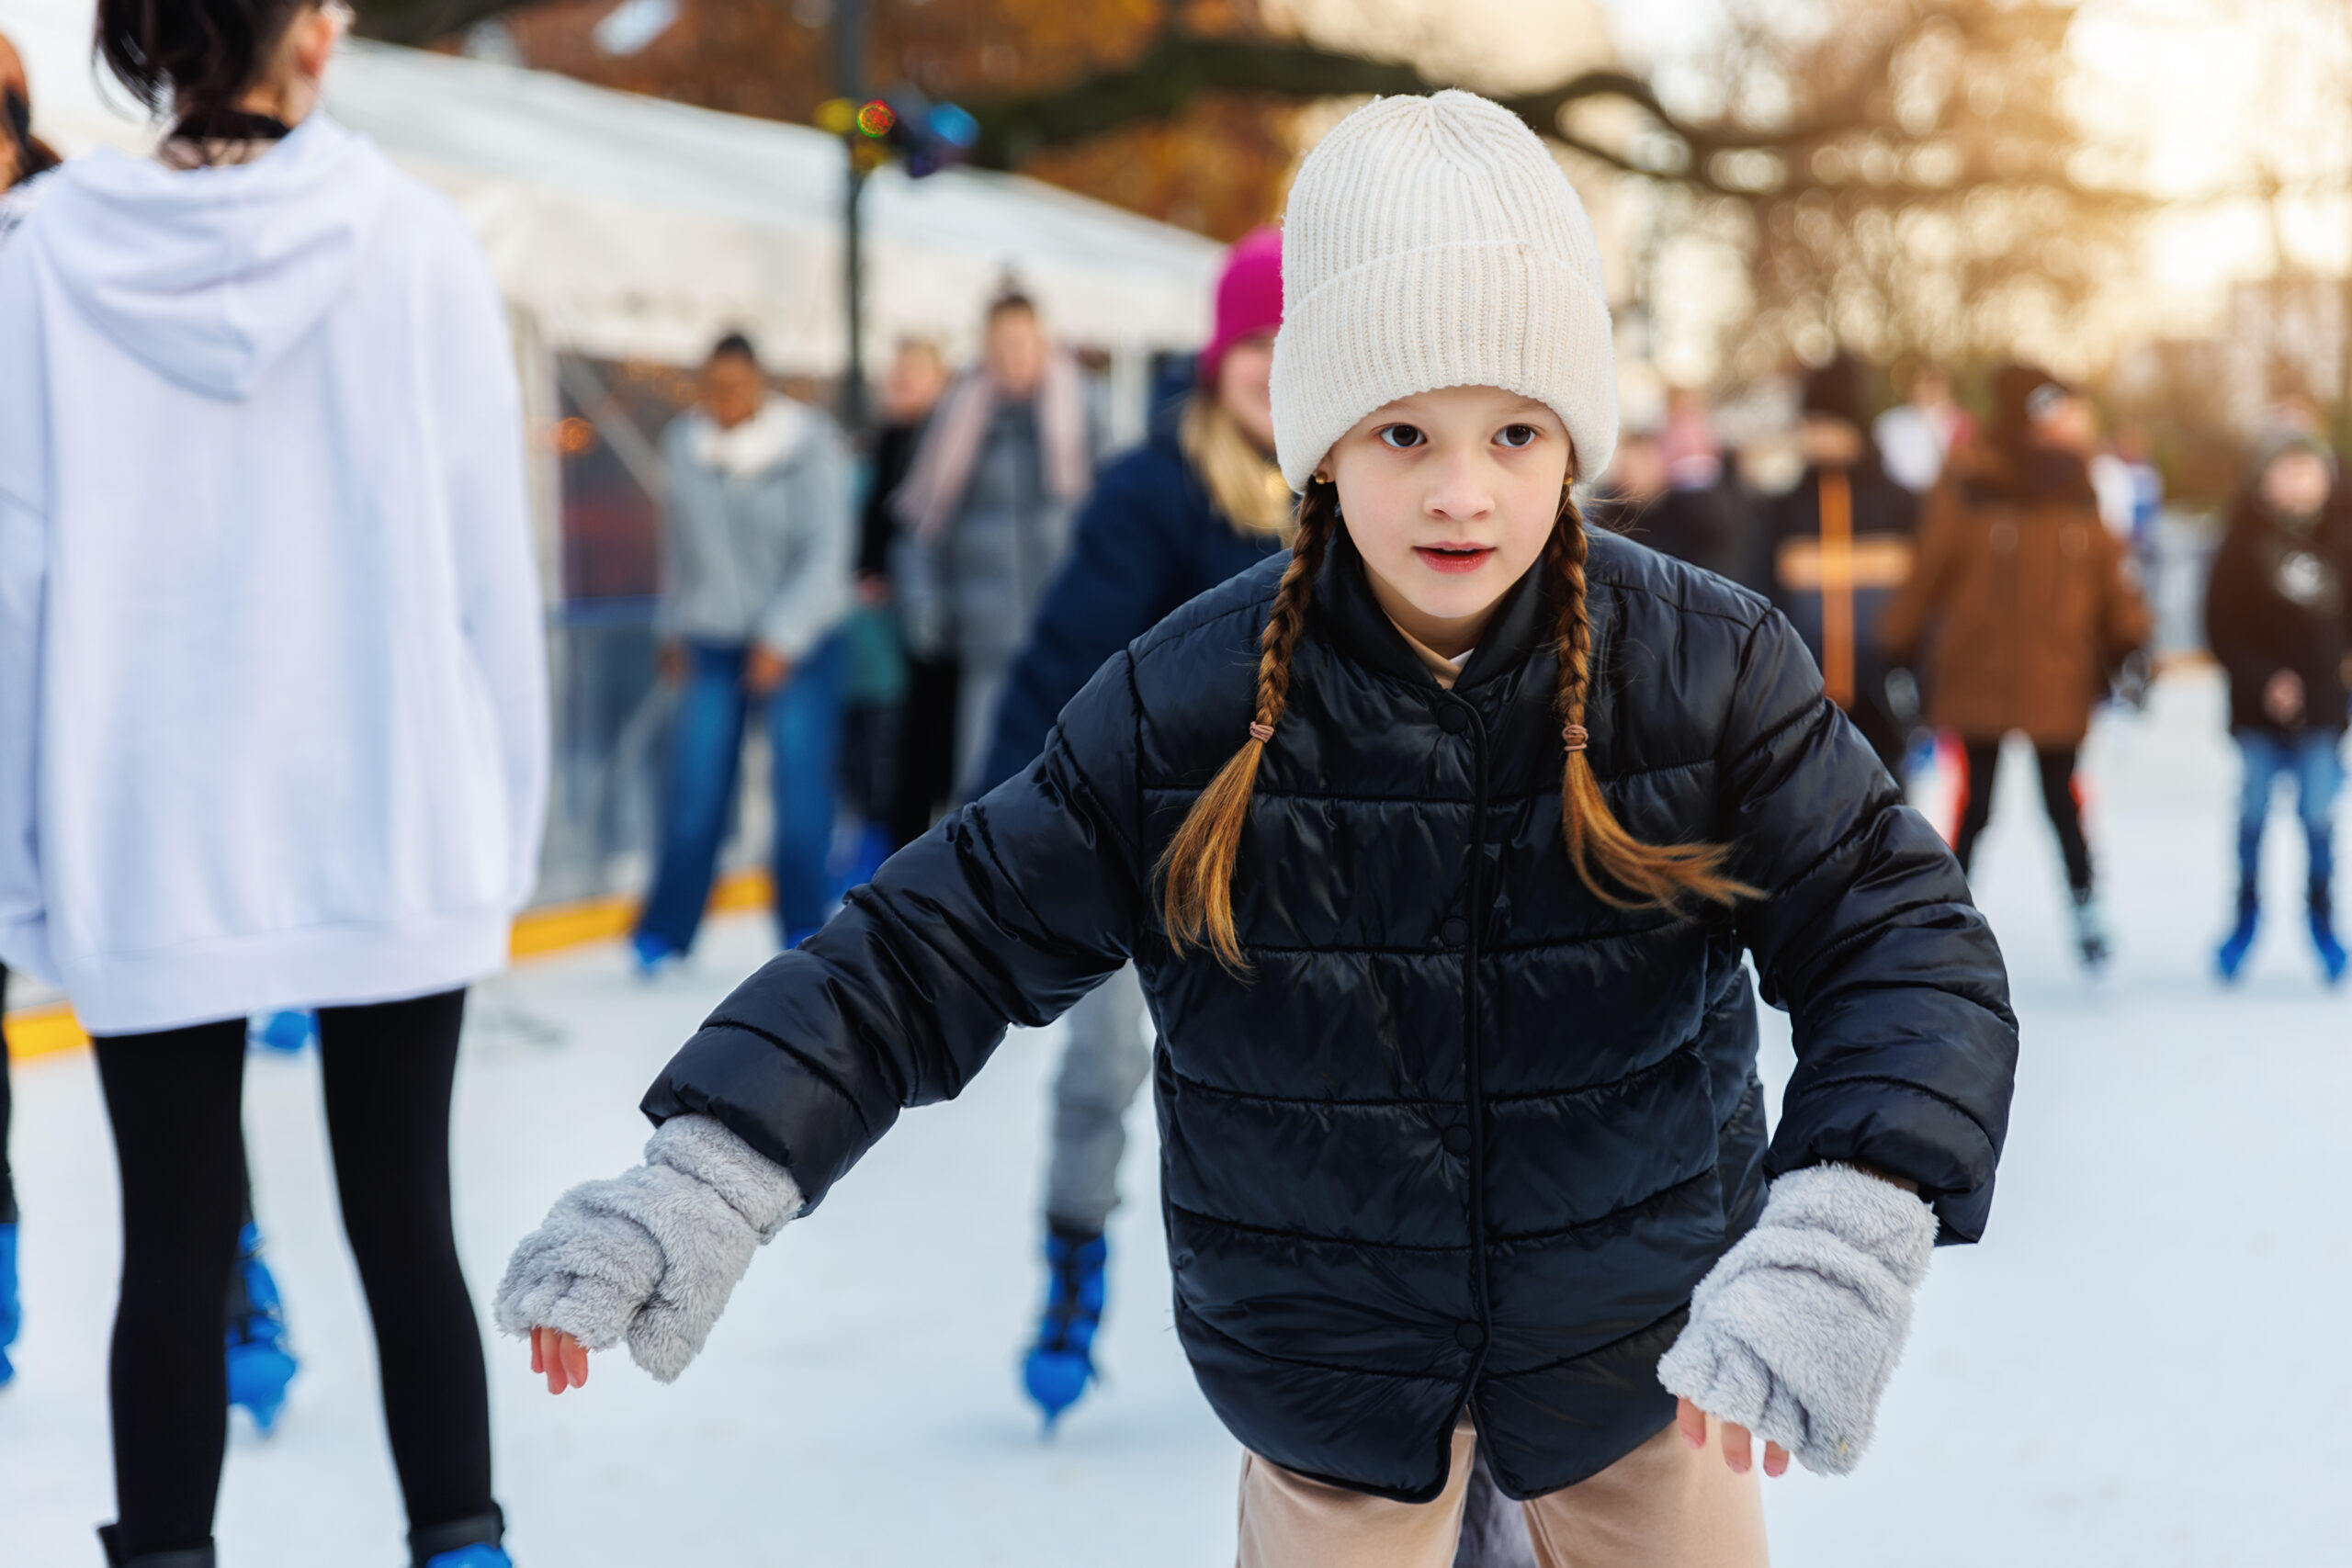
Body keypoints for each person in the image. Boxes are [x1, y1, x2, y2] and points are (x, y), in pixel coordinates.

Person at [498, 92, 2016, 1567]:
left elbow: (1903, 941)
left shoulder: (1701, 669)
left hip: (1643, 1382)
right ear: (1320, 439)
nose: (1462, 491)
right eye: (1404, 431)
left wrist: (1840, 1228)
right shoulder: (1191, 703)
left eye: (1515, 432)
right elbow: (930, 945)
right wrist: (708, 1169)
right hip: (1331, 1401)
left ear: (1576, 437)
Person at [0, 0, 548, 1558]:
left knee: (172, 1242)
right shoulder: (419, 246)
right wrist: (492, 829)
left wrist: (27, 865)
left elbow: (12, 585)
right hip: (392, 807)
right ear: (307, 37)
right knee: (406, 1231)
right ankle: (463, 1541)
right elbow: (485, 573)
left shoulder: (34, 264)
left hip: (144, 829)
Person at [949, 229, 1289, 1428]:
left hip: (1277, 866)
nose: (1269, 366)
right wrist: (991, 827)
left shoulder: (1350, 494)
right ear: (1214, 358)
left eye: (1292, 345)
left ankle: (1292, 1310)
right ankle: (1073, 1276)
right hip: (1138, 845)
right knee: (1101, 1069)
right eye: (1252, 341)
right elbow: (1063, 654)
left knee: (1286, 1092)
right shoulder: (1154, 489)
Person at [1881, 364, 2152, 975]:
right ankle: (1946, 914)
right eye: (2051, 410)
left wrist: (2131, 643)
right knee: (1975, 802)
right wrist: (1895, 645)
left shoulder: (2079, 485)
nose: (2064, 423)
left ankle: (2087, 909)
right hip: (1981, 670)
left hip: (2058, 669)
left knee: (2063, 799)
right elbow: (1930, 568)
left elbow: (2109, 576)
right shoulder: (1969, 481)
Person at [629, 333, 853, 971]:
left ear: (760, 385)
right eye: (713, 386)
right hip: (712, 639)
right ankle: (666, 930)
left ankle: (805, 926)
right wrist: (670, 625)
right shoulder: (684, 444)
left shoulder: (807, 446)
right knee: (696, 785)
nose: (723, 399)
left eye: (736, 386)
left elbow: (826, 553)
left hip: (802, 643)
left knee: (798, 785)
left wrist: (781, 638)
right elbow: (679, 549)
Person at [890, 291, 1093, 799]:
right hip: (987, 640)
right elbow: (920, 527)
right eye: (1002, 345)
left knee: (1079, 781)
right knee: (986, 787)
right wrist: (923, 600)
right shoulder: (959, 418)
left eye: (1022, 343)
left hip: (1070, 636)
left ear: (1041, 340)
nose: (1014, 356)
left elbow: (1122, 513)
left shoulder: (1084, 410)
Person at [2204, 426, 2352, 983]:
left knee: (2318, 816)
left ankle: (2324, 921)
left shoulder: (2342, 539)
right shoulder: (2240, 545)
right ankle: (2244, 919)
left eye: (2307, 472)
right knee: (2254, 814)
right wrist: (2263, 679)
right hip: (2257, 713)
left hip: (2323, 712)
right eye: (2284, 472)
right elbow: (2221, 625)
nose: (2296, 484)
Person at [1768, 355, 1920, 778]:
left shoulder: (1898, 504)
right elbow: (1765, 591)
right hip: (1804, 691)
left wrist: (1911, 669)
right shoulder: (1784, 507)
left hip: (1882, 690)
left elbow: (1919, 599)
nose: (1810, 436)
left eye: (1821, 423)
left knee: (1887, 804)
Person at [850, 340, 947, 860]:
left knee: (915, 741)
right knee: (881, 738)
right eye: (899, 372)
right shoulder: (881, 444)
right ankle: (885, 838)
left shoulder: (946, 443)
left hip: (929, 614)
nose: (905, 382)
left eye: (917, 372)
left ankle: (909, 846)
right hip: (882, 621)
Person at [1595, 425, 1758, 589]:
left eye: (1638, 464)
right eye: (1625, 467)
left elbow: (1718, 564)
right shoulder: (1614, 515)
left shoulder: (1691, 509)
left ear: (1656, 462)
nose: (1629, 475)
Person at [1871, 361, 1969, 496]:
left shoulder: (1957, 421)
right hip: (1895, 493)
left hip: (1941, 495)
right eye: (1926, 385)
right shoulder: (1890, 421)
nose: (1931, 391)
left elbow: (1962, 463)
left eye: (1936, 386)